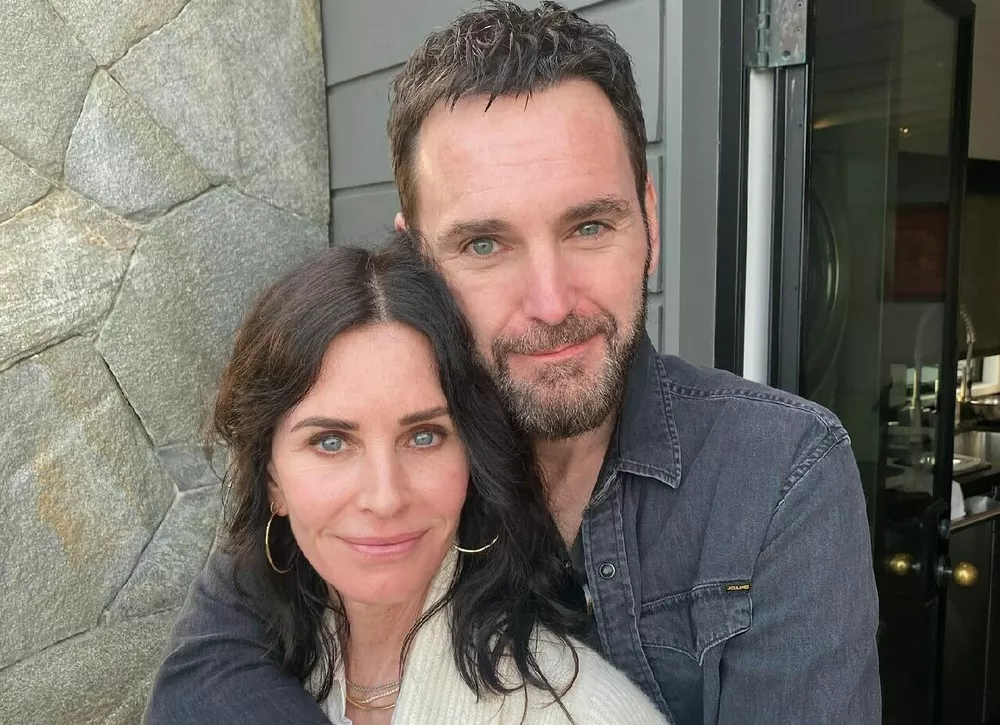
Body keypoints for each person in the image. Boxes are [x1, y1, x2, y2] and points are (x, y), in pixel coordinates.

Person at [144, 3, 881, 724]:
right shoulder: (391, 454)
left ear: (649, 222)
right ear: (415, 261)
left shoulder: (779, 470)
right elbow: (206, 668)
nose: (551, 303)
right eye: (484, 245)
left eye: (589, 226)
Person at [177, 240, 668, 725]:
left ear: (472, 460)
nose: (385, 497)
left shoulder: (582, 712)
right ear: (272, 481)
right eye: (331, 442)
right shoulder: (236, 667)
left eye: (424, 436)